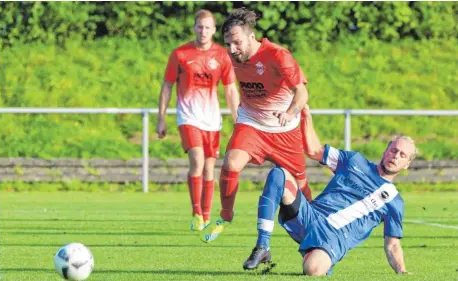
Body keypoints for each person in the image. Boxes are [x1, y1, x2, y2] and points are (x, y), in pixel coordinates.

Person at [242, 105, 417, 276]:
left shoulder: (394, 201)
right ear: (386, 150)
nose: (396, 156)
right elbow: (314, 151)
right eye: (394, 150)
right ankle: (263, 246)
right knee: (278, 174)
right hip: (309, 215)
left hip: (334, 236)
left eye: (403, 155)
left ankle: (320, 254)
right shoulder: (354, 160)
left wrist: (402, 271)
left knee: (313, 269)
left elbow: (392, 244)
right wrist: (306, 116)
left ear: (407, 164)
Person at [201, 7, 313, 243]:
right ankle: (225, 216)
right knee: (231, 163)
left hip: (284, 129)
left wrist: (289, 111)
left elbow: (301, 93)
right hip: (252, 123)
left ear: (252, 37)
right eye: (228, 44)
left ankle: (315, 228)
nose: (232, 49)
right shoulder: (230, 57)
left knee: (301, 186)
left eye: (237, 43)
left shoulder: (278, 55)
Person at [156, 9, 239, 231]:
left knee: (210, 169)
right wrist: (161, 118)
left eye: (208, 27)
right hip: (188, 117)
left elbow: (230, 89)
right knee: (198, 161)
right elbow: (167, 86)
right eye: (200, 27)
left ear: (214, 30)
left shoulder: (222, 55)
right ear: (194, 28)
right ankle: (195, 213)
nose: (203, 31)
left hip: (212, 120)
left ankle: (205, 215)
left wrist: (237, 119)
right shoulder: (180, 54)